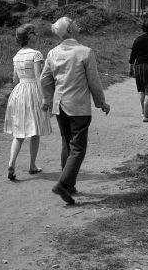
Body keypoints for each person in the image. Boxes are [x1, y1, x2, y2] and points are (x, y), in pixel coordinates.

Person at [40, 16, 110, 205]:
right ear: (69, 31)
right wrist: (101, 102)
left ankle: (69, 186)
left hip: (59, 105)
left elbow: (44, 79)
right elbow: (94, 82)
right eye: (74, 22)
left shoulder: (52, 53)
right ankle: (63, 184)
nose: (78, 24)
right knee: (78, 148)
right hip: (78, 106)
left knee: (67, 144)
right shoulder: (85, 52)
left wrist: (48, 98)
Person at [4, 23, 52, 181]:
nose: (36, 36)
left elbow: (14, 79)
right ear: (29, 37)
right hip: (33, 92)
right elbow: (39, 77)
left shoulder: (16, 56)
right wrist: (44, 97)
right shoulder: (36, 54)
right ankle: (32, 165)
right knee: (35, 130)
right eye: (34, 33)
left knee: (19, 132)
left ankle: (12, 163)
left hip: (19, 92)